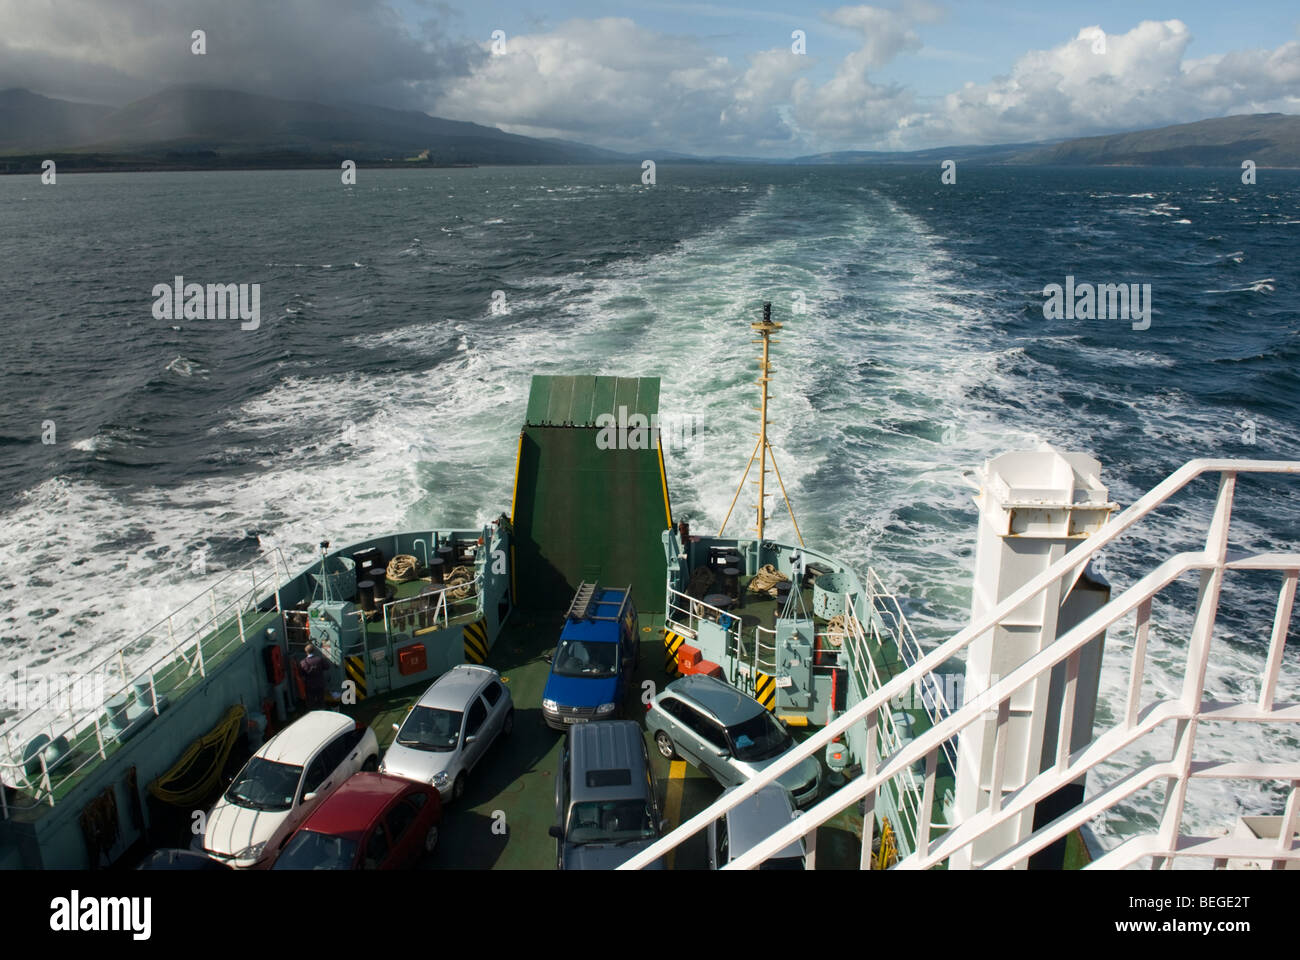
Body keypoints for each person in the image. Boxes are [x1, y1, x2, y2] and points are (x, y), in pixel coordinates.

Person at [298, 643, 327, 710]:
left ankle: (312, 712)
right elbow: (327, 667)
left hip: (309, 684)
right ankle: (322, 711)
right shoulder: (319, 659)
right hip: (320, 683)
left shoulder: (303, 662)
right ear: (314, 651)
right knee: (321, 700)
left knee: (311, 701)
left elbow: (301, 674)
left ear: (306, 652)